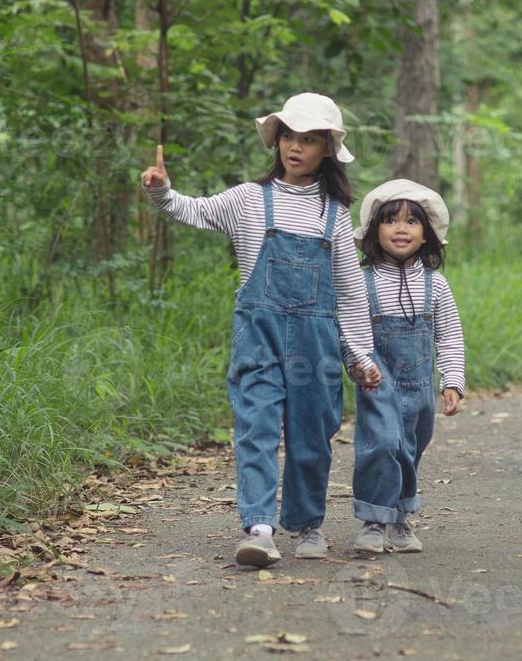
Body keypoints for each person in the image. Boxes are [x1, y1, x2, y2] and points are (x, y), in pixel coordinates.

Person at [140, 93, 381, 568]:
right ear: (277, 141)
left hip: (317, 346)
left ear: (326, 150)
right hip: (259, 338)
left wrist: (360, 355)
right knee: (257, 428)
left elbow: (351, 292)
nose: (296, 147)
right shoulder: (250, 199)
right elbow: (194, 210)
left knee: (312, 437)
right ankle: (259, 529)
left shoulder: (334, 214)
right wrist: (161, 191)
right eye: (289, 136)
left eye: (309, 140)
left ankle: (308, 524)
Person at [348, 179, 466, 554]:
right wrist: (358, 362)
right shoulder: (362, 282)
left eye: (412, 221)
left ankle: (400, 516)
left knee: (410, 448)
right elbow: (349, 330)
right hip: (377, 380)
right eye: (391, 220)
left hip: (420, 387)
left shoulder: (437, 286)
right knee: (381, 444)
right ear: (373, 230)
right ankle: (373, 520)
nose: (401, 228)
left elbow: (448, 336)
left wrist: (453, 381)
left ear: (427, 233)